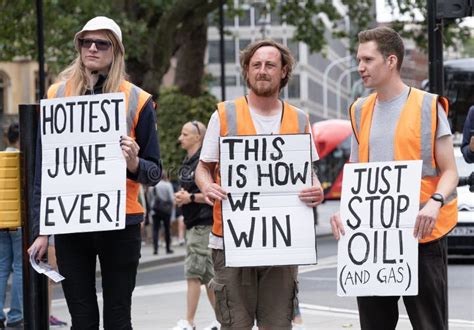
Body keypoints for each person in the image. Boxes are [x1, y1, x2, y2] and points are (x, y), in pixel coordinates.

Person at [28, 16, 161, 329]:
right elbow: (43, 172)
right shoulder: (56, 95)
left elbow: (154, 172)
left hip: (122, 223)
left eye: (101, 43)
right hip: (72, 223)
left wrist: (133, 164)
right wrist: (41, 230)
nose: (92, 48)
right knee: (82, 320)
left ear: (115, 51)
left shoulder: (137, 100)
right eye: (85, 41)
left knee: (117, 319)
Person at [330, 26, 458, 330]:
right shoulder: (359, 109)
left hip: (422, 234)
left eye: (367, 59)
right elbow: (356, 171)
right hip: (373, 238)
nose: (360, 67)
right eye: (359, 59)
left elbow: (450, 171)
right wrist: (343, 210)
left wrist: (435, 202)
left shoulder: (428, 105)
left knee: (429, 325)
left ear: (390, 61)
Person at [195, 39, 324, 329]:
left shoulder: (300, 119)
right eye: (256, 65)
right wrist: (206, 186)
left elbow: (309, 172)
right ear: (247, 71)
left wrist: (316, 188)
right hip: (230, 242)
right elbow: (203, 168)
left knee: (278, 324)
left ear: (284, 71)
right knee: (235, 324)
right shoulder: (224, 115)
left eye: (270, 65)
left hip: (283, 243)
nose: (262, 71)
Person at [173, 121, 218, 330]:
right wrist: (183, 197)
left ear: (198, 138)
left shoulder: (204, 162)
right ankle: (222, 319)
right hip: (195, 224)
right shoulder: (188, 161)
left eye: (185, 134)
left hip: (202, 225)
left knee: (193, 274)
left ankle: (189, 322)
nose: (180, 138)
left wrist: (189, 197)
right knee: (209, 277)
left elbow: (214, 193)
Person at [0, 122, 23, 329]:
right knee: (19, 268)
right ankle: (16, 314)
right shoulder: (22, 158)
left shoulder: (0, 158)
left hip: (1, 220)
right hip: (18, 221)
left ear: (7, 138)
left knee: (1, 267)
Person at [151, 173, 175, 255]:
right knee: (167, 229)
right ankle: (168, 249)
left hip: (155, 210)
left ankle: (155, 249)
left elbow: (151, 197)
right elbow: (172, 199)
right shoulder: (168, 185)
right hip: (165, 210)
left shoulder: (154, 185)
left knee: (155, 229)